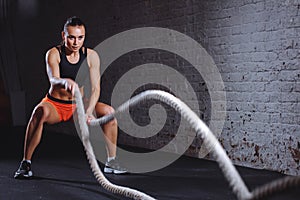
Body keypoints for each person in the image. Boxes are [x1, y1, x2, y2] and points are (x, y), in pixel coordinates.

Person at [14, 16, 127, 179]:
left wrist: (88, 111)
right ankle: (26, 163)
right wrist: (64, 82)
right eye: (71, 37)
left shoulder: (91, 56)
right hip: (56, 105)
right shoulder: (53, 53)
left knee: (109, 113)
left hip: (79, 105)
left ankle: (112, 161)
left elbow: (96, 88)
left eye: (80, 38)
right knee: (38, 113)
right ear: (63, 36)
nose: (76, 42)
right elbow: (53, 79)